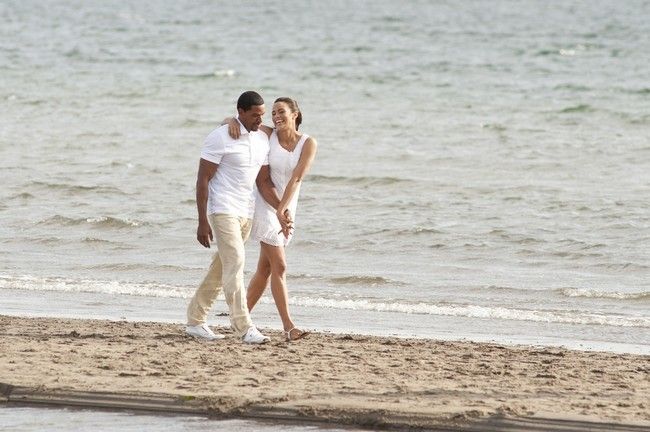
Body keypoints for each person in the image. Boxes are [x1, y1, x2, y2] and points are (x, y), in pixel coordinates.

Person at [226, 97, 317, 341]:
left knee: (265, 269)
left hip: (287, 205)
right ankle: (289, 327)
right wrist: (230, 121)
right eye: (273, 112)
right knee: (280, 265)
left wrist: (283, 209)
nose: (275, 117)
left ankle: (239, 319)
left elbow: (296, 179)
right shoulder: (267, 134)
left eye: (281, 112)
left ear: (295, 114)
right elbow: (238, 122)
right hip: (264, 202)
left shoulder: (308, 143)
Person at [185, 90, 272, 344]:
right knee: (236, 261)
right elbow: (203, 179)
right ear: (241, 112)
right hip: (222, 208)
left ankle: (195, 320)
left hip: (247, 211)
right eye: (255, 115)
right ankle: (244, 328)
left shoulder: (262, 138)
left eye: (262, 115)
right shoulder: (220, 137)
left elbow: (265, 177)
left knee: (222, 267)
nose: (260, 120)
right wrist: (202, 219)